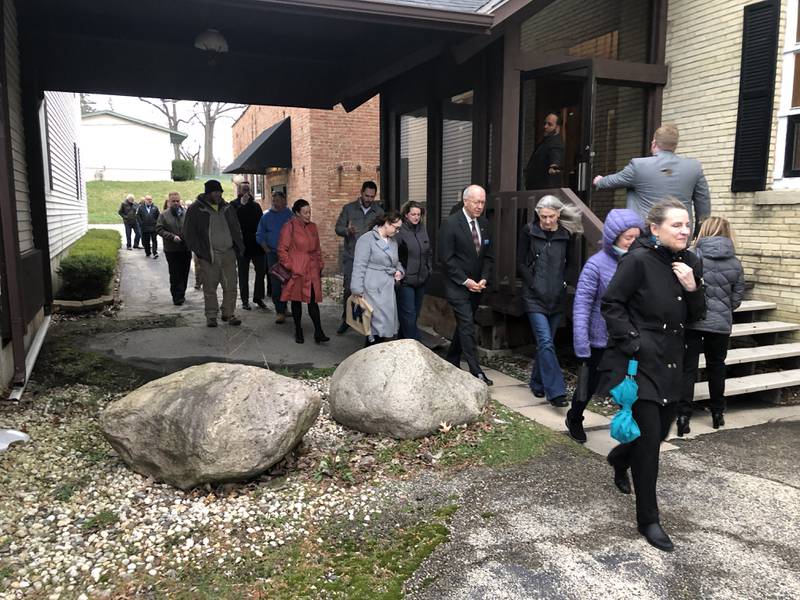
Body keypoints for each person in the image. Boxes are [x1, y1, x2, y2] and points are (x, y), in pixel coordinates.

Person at [599, 197, 705, 552]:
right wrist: (633, 341)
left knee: (658, 434)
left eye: (687, 224)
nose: (684, 230)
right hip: (642, 364)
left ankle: (618, 458)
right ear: (655, 229)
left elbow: (697, 314)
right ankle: (649, 520)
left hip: (674, 363)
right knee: (650, 448)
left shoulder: (690, 262)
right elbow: (611, 303)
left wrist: (693, 287)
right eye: (676, 225)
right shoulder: (638, 260)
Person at [566, 209, 644, 443]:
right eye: (628, 237)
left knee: (629, 387)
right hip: (599, 339)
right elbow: (582, 306)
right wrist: (582, 342)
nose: (633, 242)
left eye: (636, 237)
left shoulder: (640, 262)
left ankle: (627, 425)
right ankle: (575, 416)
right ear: (613, 237)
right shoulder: (596, 265)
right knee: (587, 386)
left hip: (627, 338)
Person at [678, 216, 745, 435]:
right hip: (721, 325)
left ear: (704, 230)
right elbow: (737, 298)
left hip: (693, 322)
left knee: (688, 368)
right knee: (717, 367)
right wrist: (723, 310)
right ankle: (717, 414)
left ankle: (683, 416)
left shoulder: (693, 256)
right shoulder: (735, 262)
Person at [517, 195, 579, 406]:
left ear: (558, 215)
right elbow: (520, 262)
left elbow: (572, 264)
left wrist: (564, 283)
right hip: (534, 296)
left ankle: (536, 383)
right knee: (544, 341)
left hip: (556, 297)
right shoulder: (528, 231)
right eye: (543, 216)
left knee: (547, 344)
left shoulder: (567, 234)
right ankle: (557, 392)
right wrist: (533, 283)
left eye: (551, 216)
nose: (546, 221)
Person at [593, 123, 711, 231]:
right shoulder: (694, 167)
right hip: (680, 234)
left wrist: (600, 181)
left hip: (648, 236)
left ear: (654, 143)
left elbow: (612, 181)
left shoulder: (638, 166)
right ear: (674, 146)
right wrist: (699, 232)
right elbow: (703, 203)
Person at [438, 184, 495, 386]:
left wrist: (484, 279)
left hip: (477, 285)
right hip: (458, 285)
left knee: (464, 324)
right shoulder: (451, 224)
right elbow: (446, 259)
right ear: (466, 202)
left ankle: (452, 359)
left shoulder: (485, 224)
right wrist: (466, 281)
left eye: (482, 202)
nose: (480, 206)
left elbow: (488, 256)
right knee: (468, 325)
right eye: (476, 202)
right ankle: (476, 370)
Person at [183, 180, 244, 328]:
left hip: (228, 253)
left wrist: (238, 247)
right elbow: (188, 233)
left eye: (220, 192)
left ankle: (229, 313)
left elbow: (236, 228)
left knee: (231, 286)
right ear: (207, 193)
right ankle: (211, 316)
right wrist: (200, 252)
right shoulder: (196, 209)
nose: (218, 195)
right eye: (215, 192)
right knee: (210, 287)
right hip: (209, 255)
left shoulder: (227, 208)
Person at [334, 181, 384, 334]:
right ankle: (346, 319)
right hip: (352, 257)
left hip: (371, 259)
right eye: (366, 195)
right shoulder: (348, 209)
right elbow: (338, 228)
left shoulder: (379, 212)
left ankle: (366, 321)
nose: (369, 199)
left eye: (372, 196)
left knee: (370, 291)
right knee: (350, 289)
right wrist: (347, 230)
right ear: (361, 193)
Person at [277, 199, 329, 344]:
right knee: (296, 300)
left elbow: (317, 248)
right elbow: (282, 249)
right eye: (305, 213)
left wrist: (320, 264)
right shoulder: (289, 227)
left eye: (309, 212)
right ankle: (298, 329)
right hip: (297, 269)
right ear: (296, 213)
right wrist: (291, 266)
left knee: (313, 301)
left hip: (312, 269)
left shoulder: (313, 227)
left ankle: (319, 332)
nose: (308, 215)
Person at [351, 213, 405, 346]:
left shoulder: (392, 242)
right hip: (372, 285)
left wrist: (399, 271)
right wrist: (357, 289)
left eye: (399, 229)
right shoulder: (366, 239)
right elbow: (359, 265)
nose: (397, 231)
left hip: (387, 286)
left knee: (385, 327)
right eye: (396, 227)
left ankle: (376, 357)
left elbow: (395, 262)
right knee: (375, 326)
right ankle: (370, 358)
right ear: (386, 223)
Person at [396, 201, 432, 340]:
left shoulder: (422, 228)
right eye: (413, 214)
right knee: (409, 317)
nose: (416, 217)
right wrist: (399, 272)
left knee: (413, 316)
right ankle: (417, 346)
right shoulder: (400, 231)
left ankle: (401, 345)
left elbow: (429, 250)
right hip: (406, 281)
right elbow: (394, 254)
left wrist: (429, 269)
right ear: (406, 215)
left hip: (421, 280)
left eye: (419, 214)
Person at [256, 190, 294, 323]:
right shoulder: (266, 217)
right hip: (272, 254)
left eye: (277, 199)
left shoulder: (291, 216)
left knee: (288, 282)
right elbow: (259, 234)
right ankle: (279, 311)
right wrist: (265, 248)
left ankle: (285, 307)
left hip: (288, 255)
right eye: (273, 199)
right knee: (276, 282)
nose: (275, 202)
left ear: (284, 200)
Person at [231, 182, 267, 311]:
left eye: (247, 189)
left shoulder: (256, 206)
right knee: (243, 273)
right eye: (243, 189)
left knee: (261, 271)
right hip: (241, 245)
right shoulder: (233, 205)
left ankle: (258, 297)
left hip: (256, 245)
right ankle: (245, 300)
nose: (246, 191)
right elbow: (233, 222)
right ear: (239, 190)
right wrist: (242, 205)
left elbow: (261, 224)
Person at [156, 192, 192, 306]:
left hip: (186, 248)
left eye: (177, 201)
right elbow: (159, 229)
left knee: (185, 272)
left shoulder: (186, 213)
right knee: (175, 273)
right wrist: (171, 237)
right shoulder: (164, 215)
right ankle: (176, 296)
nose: (176, 203)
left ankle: (182, 293)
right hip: (172, 249)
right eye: (173, 201)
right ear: (169, 202)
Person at [524, 113, 564, 190]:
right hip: (537, 188)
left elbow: (556, 153)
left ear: (557, 127)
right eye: (545, 123)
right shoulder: (545, 141)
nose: (545, 126)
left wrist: (554, 166)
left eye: (550, 124)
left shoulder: (555, 142)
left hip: (545, 189)